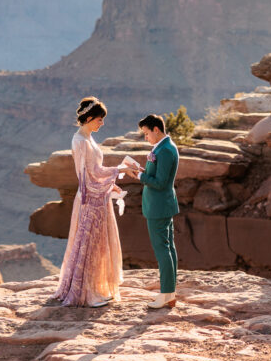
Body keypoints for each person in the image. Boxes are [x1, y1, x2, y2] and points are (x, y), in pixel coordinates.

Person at [54, 96, 127, 307]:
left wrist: (111, 183)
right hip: (89, 200)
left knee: (97, 245)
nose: (102, 123)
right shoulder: (79, 141)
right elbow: (87, 176)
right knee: (88, 245)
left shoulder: (88, 138)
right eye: (99, 119)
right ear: (89, 118)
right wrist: (119, 170)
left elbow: (96, 171)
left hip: (97, 197)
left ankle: (95, 288)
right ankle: (87, 293)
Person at [124, 114, 179, 309]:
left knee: (162, 249)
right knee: (168, 248)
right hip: (162, 205)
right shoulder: (163, 147)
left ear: (156, 129)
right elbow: (156, 175)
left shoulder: (165, 150)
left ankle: (166, 294)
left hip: (158, 207)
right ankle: (170, 293)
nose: (146, 137)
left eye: (147, 133)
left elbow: (160, 182)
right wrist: (141, 169)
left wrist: (138, 176)